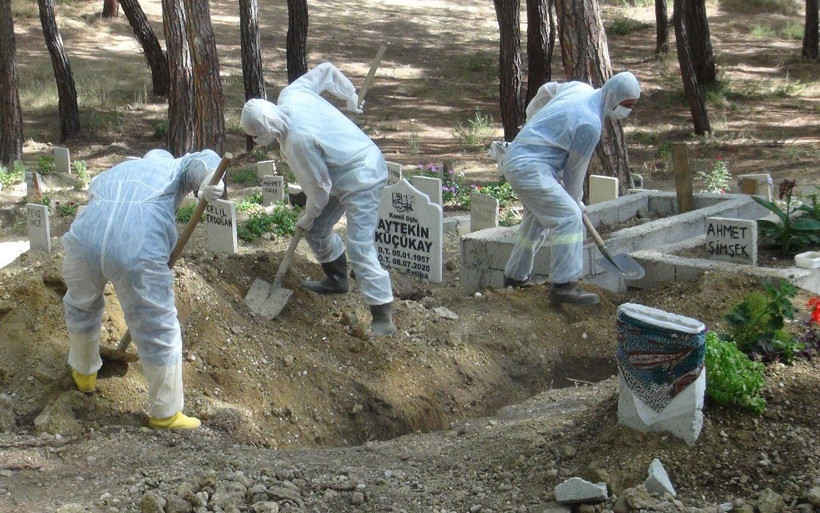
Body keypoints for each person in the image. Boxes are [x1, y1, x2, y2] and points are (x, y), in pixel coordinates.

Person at [62, 149, 225, 429]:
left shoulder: (116, 171)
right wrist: (212, 178)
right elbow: (203, 162)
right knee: (156, 324)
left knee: (81, 304)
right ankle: (166, 413)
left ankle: (83, 372)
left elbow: (92, 193)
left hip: (85, 237)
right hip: (137, 244)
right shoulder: (175, 166)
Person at [240, 62, 397, 337]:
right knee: (316, 230)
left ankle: (383, 317)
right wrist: (348, 94)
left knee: (359, 245)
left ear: (265, 127)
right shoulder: (290, 95)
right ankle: (337, 280)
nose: (255, 141)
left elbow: (320, 190)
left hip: (363, 175)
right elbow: (325, 71)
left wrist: (308, 214)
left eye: (255, 134)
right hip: (340, 170)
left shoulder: (297, 141)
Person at [500, 72, 641, 305]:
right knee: (568, 216)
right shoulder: (589, 124)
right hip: (529, 167)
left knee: (537, 222)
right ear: (614, 96)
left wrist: (534, 119)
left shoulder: (580, 88)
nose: (627, 112)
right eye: (627, 105)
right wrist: (576, 202)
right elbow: (574, 171)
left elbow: (547, 90)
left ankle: (514, 277)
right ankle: (564, 285)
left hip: (524, 157)